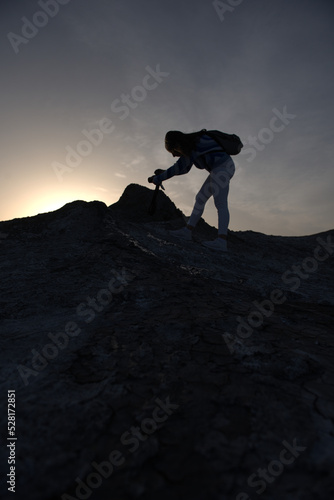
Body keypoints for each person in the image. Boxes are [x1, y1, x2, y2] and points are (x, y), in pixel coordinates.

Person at [148, 129, 235, 252]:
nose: (173, 155)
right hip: (222, 168)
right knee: (200, 198)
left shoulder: (193, 145)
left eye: (173, 151)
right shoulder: (194, 142)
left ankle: (221, 241)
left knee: (220, 203)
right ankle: (187, 232)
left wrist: (158, 178)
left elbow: (179, 168)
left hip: (222, 168)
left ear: (177, 144)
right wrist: (163, 174)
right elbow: (183, 169)